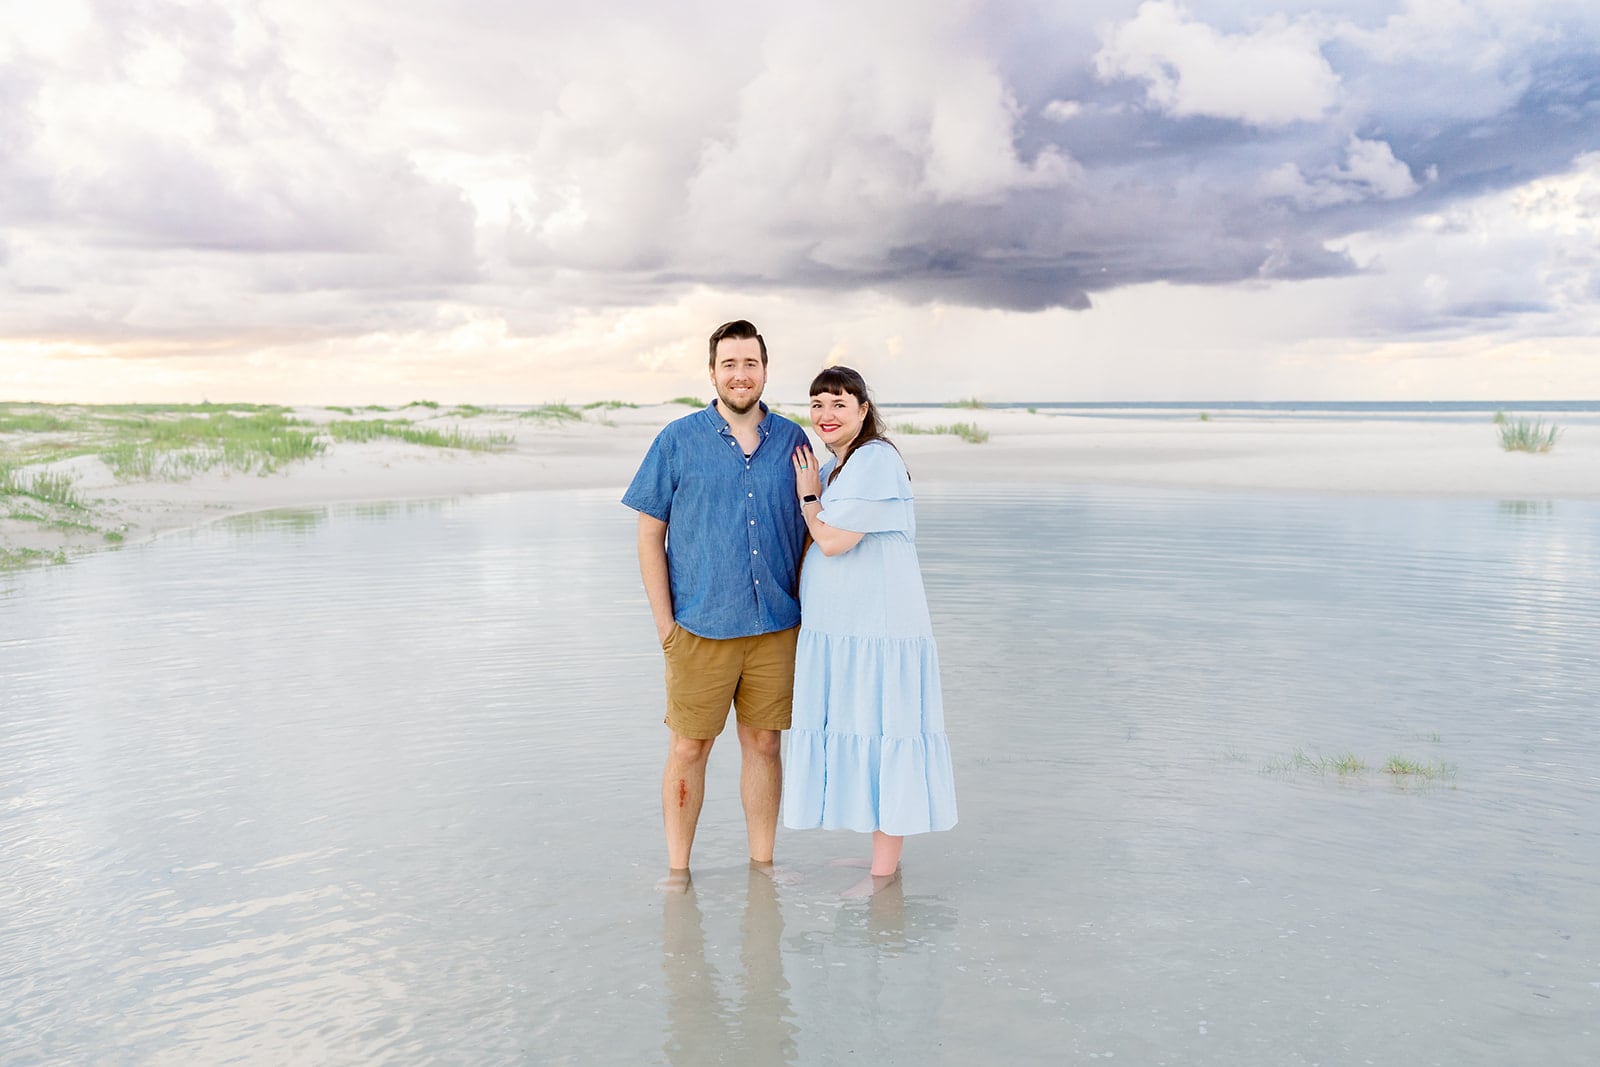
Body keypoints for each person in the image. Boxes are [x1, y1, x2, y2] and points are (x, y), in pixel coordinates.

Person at [622, 319, 810, 891]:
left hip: (776, 625)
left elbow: (812, 528)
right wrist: (665, 626)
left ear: (765, 371)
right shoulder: (677, 440)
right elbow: (649, 533)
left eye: (750, 363)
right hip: (699, 627)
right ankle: (678, 872)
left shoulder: (795, 442)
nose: (740, 374)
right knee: (689, 748)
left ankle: (763, 868)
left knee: (764, 745)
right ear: (712, 373)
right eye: (729, 364)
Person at [783, 365, 957, 890]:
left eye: (839, 403)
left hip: (878, 632)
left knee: (885, 732)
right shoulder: (842, 466)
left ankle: (883, 876)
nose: (826, 414)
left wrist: (809, 497)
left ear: (863, 410)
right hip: (849, 631)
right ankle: (883, 857)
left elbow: (834, 541)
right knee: (866, 728)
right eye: (817, 404)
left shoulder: (875, 459)